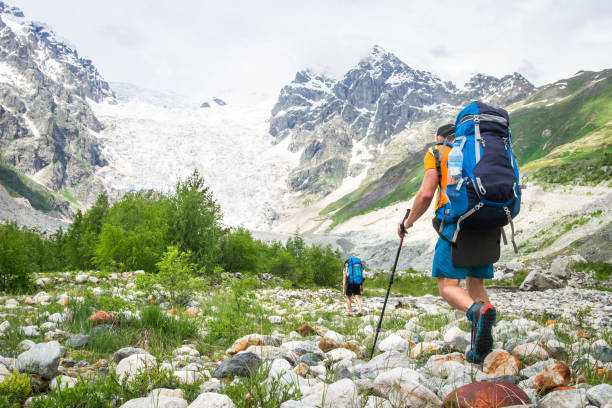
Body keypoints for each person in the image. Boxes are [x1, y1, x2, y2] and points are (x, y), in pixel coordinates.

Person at [397, 123, 496, 364]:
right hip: (488, 221)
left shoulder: (438, 151)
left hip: (456, 222)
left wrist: (407, 223)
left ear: (440, 137)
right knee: (475, 285)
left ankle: (478, 313)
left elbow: (427, 194)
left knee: (448, 286)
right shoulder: (481, 148)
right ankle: (483, 348)